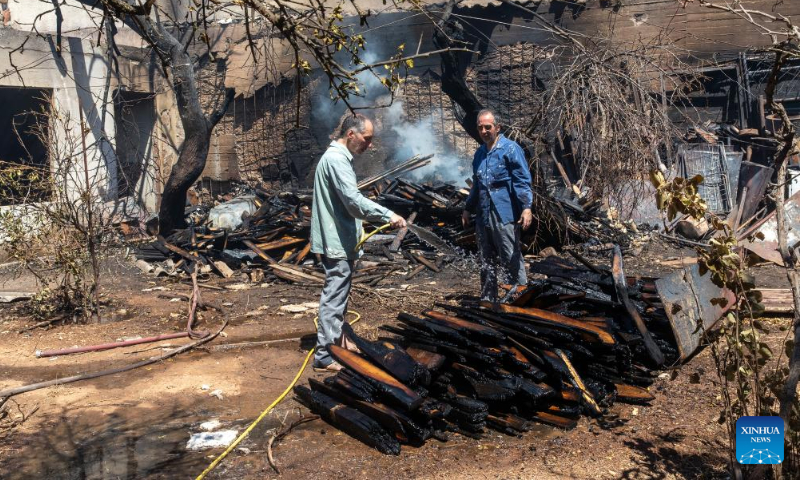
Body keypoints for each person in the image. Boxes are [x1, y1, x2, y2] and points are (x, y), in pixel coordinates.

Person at [310, 114, 406, 372]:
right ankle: (325, 356)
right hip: (337, 239)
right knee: (334, 297)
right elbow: (353, 201)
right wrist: (389, 215)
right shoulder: (337, 160)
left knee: (339, 295)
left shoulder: (336, 158)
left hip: (341, 238)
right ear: (351, 134)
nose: (370, 145)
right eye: (367, 139)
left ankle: (338, 340)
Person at [462, 109, 533, 303]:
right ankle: (488, 299)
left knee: (510, 254)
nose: (484, 131)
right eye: (480, 128)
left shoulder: (510, 149)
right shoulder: (479, 154)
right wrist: (468, 208)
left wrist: (526, 207)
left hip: (505, 213)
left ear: (497, 128)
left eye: (488, 127)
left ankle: (519, 297)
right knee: (486, 258)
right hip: (483, 213)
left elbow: (522, 180)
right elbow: (477, 185)